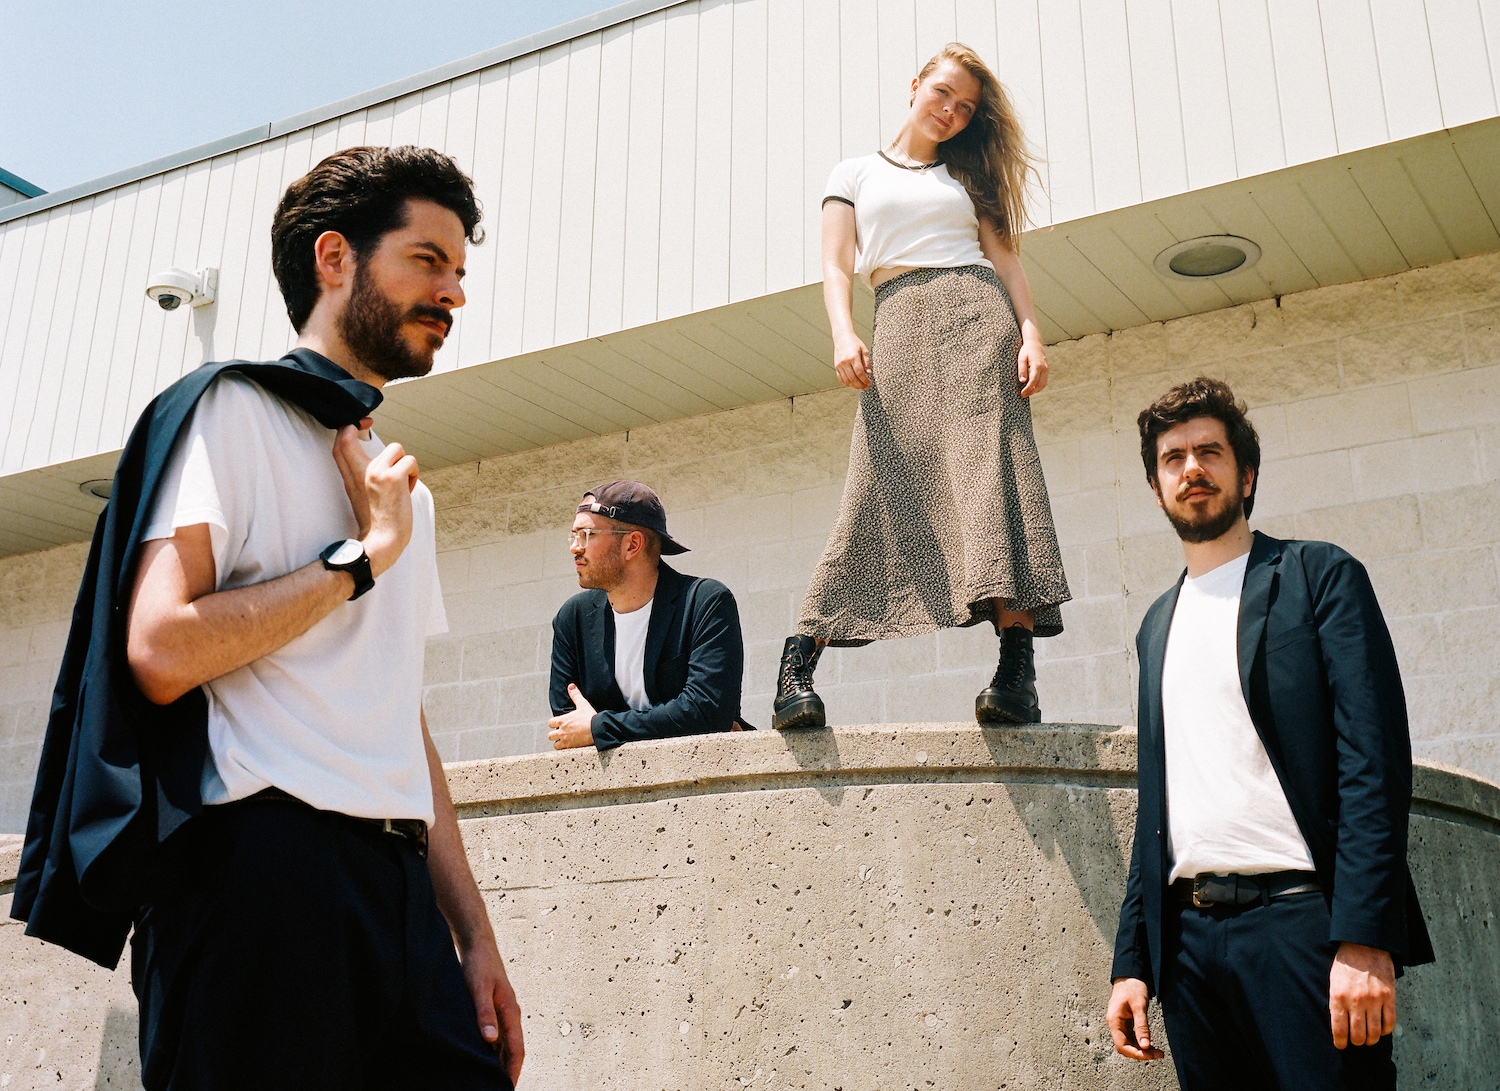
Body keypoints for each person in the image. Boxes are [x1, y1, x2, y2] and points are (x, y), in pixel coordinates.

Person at [16, 146, 524, 1090]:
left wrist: (473, 934)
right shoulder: (233, 413)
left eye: (460, 270)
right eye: (428, 260)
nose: (454, 291)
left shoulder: (402, 490)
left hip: (399, 894)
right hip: (261, 876)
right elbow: (160, 646)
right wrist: (358, 559)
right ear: (335, 257)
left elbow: (397, 717)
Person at [1106, 378, 1434, 1089]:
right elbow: (1159, 806)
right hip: (1190, 951)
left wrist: (1364, 937)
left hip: (1304, 928)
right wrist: (1133, 960)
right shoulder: (1156, 626)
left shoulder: (1319, 576)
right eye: (1173, 459)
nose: (1192, 469)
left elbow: (1373, 761)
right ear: (1157, 490)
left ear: (1246, 474)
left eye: (1210, 452)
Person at [773, 42, 1070, 731]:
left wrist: (1031, 335)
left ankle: (1016, 673)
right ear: (915, 86)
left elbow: (1006, 261)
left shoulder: (968, 177)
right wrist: (843, 334)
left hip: (979, 325)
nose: (951, 112)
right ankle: (796, 665)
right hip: (900, 324)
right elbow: (836, 266)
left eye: (966, 107)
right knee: (874, 485)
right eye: (943, 93)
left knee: (996, 481)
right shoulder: (853, 173)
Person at [548, 480, 749, 750]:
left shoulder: (704, 602)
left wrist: (598, 727)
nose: (575, 547)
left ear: (632, 544)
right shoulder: (573, 619)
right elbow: (568, 726)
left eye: (587, 534)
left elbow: (706, 712)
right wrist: (672, 719)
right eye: (574, 535)